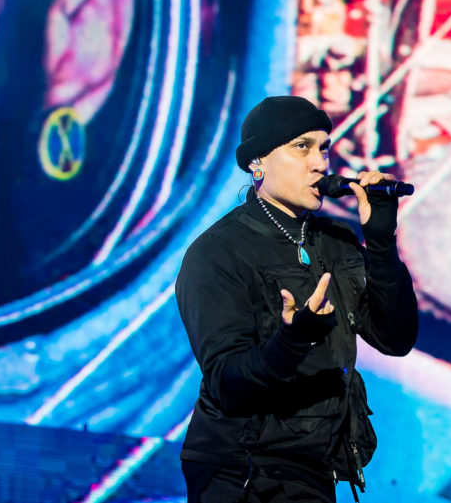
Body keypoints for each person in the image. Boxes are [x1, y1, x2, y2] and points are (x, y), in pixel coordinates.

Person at [175, 95, 419, 502]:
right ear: (258, 162)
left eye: (324, 148)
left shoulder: (336, 243)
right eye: (302, 147)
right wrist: (293, 340)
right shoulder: (219, 251)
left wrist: (380, 242)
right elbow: (227, 383)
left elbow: (396, 338)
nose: (320, 163)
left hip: (313, 467)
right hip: (242, 470)